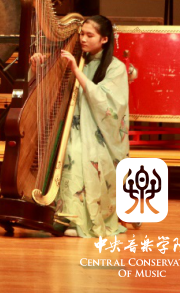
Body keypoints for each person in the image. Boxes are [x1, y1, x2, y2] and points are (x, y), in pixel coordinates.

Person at [55, 15, 130, 238]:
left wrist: (76, 71)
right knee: (62, 150)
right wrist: (37, 65)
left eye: (90, 35)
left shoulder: (115, 68)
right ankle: (59, 214)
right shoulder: (77, 60)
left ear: (104, 39)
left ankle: (78, 219)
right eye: (82, 34)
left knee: (76, 153)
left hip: (100, 135)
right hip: (72, 127)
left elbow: (108, 106)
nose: (83, 39)